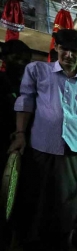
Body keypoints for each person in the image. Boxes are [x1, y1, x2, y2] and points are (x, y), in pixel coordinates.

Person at [8, 29, 77, 251]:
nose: (68, 55)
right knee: (34, 195)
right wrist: (20, 134)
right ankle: (27, 244)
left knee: (69, 198)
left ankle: (64, 243)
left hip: (73, 147)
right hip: (41, 143)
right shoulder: (38, 71)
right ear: (56, 48)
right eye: (64, 49)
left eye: (74, 51)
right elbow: (25, 102)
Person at [0, 40, 32, 171]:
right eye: (16, 58)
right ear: (4, 58)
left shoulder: (30, 88)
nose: (20, 64)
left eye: (25, 61)